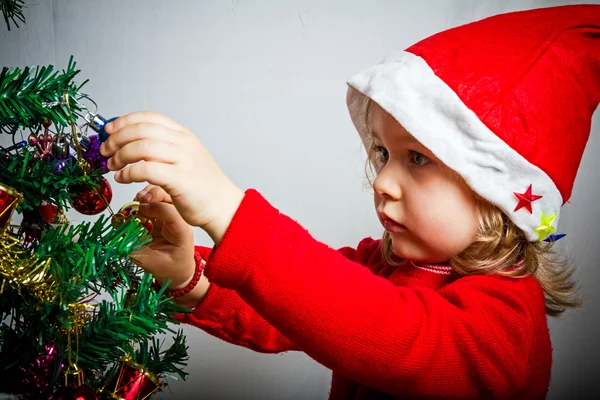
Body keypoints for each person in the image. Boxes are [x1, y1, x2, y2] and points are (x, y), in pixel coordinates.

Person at [99, 4, 600, 399]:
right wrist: (191, 278)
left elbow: (395, 336)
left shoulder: (508, 318)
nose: (382, 180)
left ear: (497, 199)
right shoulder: (384, 262)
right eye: (383, 153)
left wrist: (230, 213)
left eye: (418, 159)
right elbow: (291, 309)